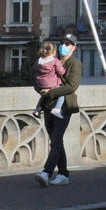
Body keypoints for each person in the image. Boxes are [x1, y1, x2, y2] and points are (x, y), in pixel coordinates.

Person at [35, 34, 82, 187]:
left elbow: (72, 86)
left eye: (68, 44)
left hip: (64, 107)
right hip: (48, 106)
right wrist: (41, 90)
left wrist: (51, 92)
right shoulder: (51, 59)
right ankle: (63, 174)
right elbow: (39, 78)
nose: (64, 45)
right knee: (56, 141)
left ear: (74, 47)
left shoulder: (75, 64)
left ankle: (46, 173)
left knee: (55, 140)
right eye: (62, 43)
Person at [32, 41, 66, 118]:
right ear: (54, 52)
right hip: (52, 84)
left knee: (43, 96)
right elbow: (61, 72)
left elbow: (34, 69)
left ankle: (37, 109)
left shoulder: (39, 61)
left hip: (41, 84)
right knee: (61, 95)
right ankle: (57, 109)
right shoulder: (55, 61)